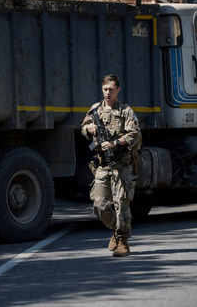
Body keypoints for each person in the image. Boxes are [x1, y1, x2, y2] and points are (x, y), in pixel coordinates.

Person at [81, 74, 142, 257]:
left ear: (118, 90)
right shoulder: (95, 110)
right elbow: (83, 128)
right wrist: (89, 129)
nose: (108, 93)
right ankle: (117, 230)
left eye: (111, 89)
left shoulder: (126, 111)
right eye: (105, 89)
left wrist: (116, 143)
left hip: (121, 165)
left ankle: (122, 241)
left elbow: (135, 133)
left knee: (121, 203)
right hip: (102, 165)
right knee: (100, 205)